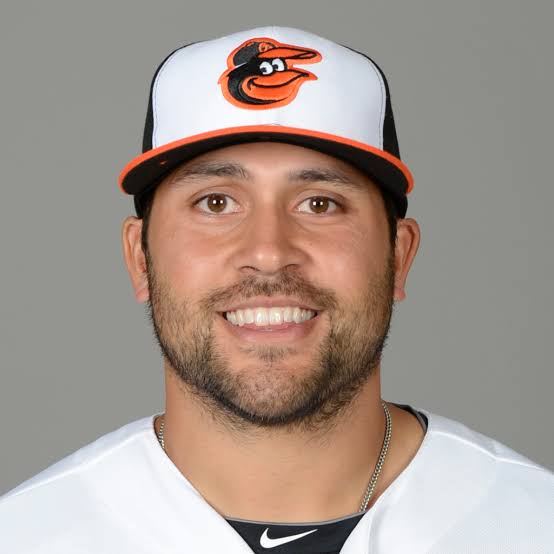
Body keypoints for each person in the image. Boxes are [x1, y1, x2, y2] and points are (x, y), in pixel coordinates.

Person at [1, 25, 552, 553]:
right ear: (139, 259)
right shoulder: (26, 536)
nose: (268, 252)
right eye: (216, 203)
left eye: (320, 204)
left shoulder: (534, 525)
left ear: (399, 256)